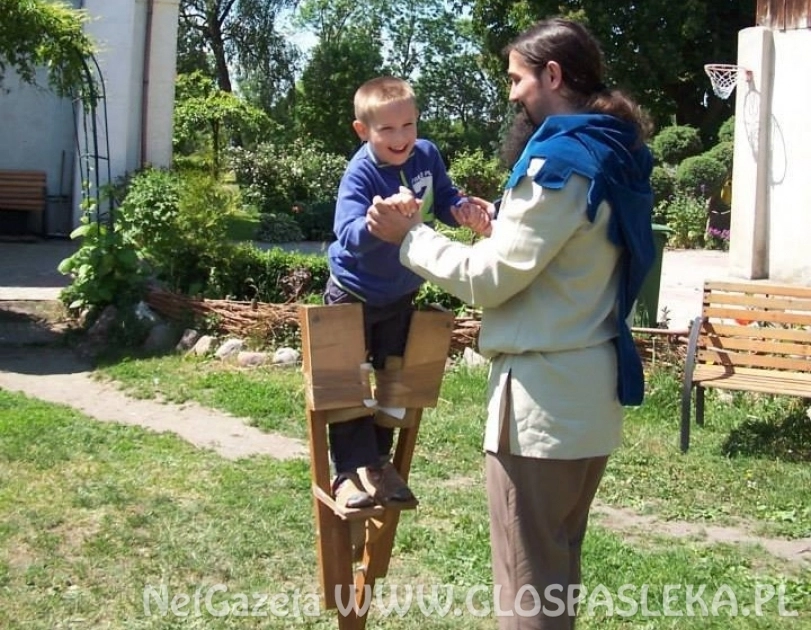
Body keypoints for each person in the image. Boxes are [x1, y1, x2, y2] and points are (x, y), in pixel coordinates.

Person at [366, 18, 655, 629]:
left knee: (530, 588)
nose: (512, 92)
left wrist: (409, 235)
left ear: (553, 75)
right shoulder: (616, 151)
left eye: (517, 78)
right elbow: (574, 256)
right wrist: (504, 229)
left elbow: (486, 281)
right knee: (556, 574)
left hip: (541, 409)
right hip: (588, 401)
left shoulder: (558, 159)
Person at [326, 76, 491, 511]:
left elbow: (443, 198)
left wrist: (462, 211)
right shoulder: (360, 172)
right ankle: (346, 474)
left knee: (395, 382)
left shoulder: (427, 155)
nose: (401, 138)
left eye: (408, 126)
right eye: (387, 130)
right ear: (364, 131)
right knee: (347, 385)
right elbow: (346, 235)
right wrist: (376, 221)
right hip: (353, 294)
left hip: (399, 294)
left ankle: (378, 465)